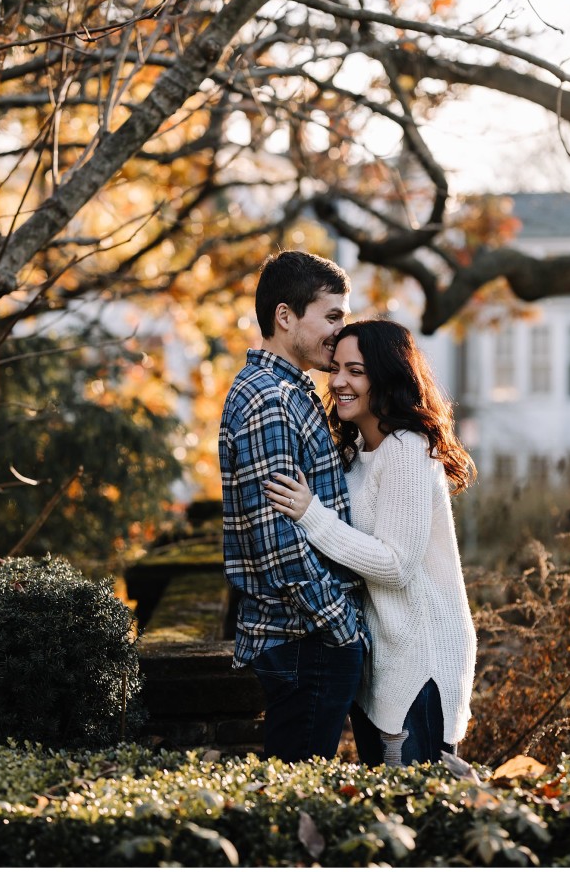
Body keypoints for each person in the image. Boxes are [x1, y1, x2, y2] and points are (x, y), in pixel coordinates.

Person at [264, 318, 477, 767]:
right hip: (381, 661)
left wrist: (311, 515)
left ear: (387, 376)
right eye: (337, 367)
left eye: (355, 371)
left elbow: (395, 565)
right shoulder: (358, 451)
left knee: (420, 813)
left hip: (420, 659)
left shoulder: (407, 448)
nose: (338, 381)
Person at [219, 251, 369, 763]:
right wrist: (343, 627)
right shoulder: (270, 401)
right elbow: (280, 545)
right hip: (304, 639)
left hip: (308, 638)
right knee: (294, 804)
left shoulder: (290, 390)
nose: (339, 331)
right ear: (285, 317)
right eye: (331, 316)